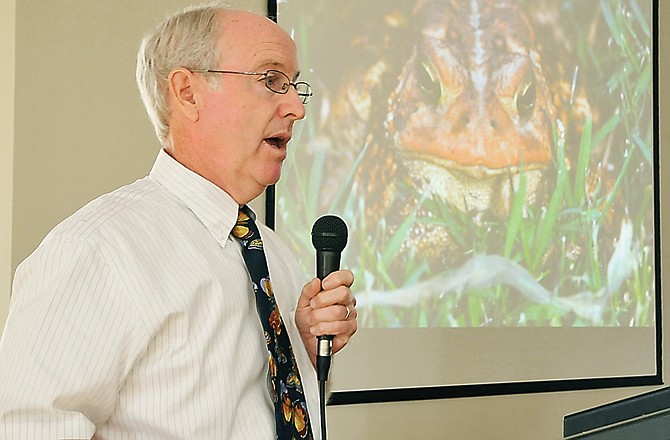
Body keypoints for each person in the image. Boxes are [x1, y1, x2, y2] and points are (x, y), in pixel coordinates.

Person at [0, 3, 356, 439]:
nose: (297, 109)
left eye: (295, 87)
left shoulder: (274, 255)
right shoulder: (96, 249)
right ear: (187, 92)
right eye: (271, 81)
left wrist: (301, 347)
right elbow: (28, 429)